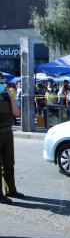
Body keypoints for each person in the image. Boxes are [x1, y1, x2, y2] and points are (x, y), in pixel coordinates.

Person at [0, 74, 24, 204]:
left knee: (9, 163)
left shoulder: (6, 95)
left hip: (8, 132)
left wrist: (10, 98)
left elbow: (16, 113)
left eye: (2, 82)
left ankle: (11, 190)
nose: (2, 84)